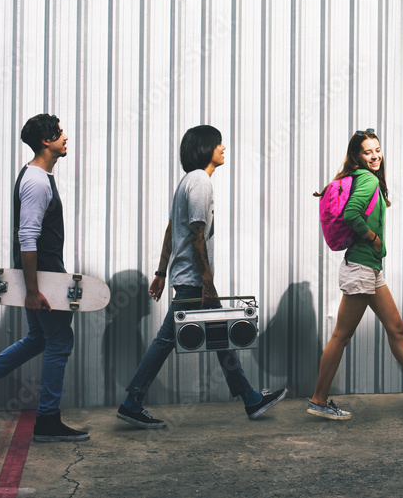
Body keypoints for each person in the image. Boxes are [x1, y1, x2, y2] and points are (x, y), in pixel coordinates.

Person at [117, 125, 287, 427]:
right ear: (205, 148)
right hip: (193, 281)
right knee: (166, 340)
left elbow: (172, 230)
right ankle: (132, 401)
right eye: (218, 144)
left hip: (188, 277)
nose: (223, 148)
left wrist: (160, 272)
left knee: (221, 334)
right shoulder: (200, 182)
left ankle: (249, 397)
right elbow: (196, 232)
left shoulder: (187, 181)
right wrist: (207, 281)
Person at [0, 114, 90, 441]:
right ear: (46, 140)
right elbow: (28, 238)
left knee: (40, 339)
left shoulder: (36, 176)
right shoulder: (37, 181)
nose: (65, 137)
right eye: (60, 133)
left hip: (43, 275)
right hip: (43, 277)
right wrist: (33, 290)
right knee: (60, 342)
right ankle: (48, 421)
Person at [307, 128, 403, 420]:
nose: (375, 156)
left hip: (370, 269)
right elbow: (352, 214)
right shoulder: (366, 179)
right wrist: (374, 238)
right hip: (361, 268)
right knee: (341, 335)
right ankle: (318, 399)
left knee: (396, 327)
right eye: (368, 151)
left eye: (377, 150)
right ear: (357, 156)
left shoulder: (364, 178)